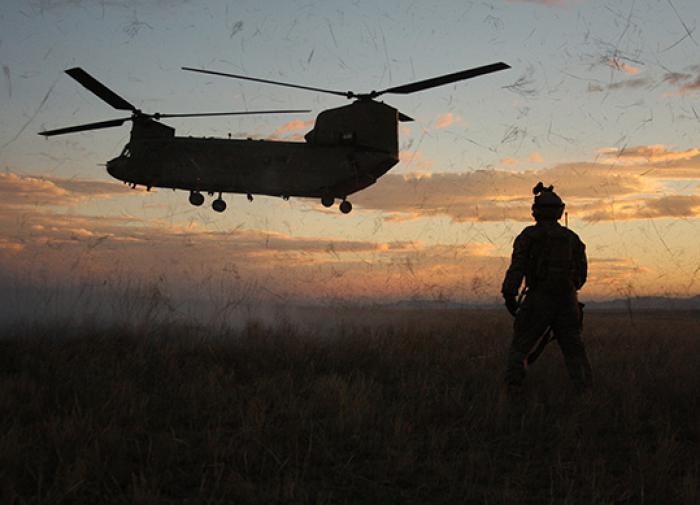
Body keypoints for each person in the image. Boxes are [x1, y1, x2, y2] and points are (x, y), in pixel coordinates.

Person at [501, 182, 592, 394]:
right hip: (567, 302)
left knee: (520, 348)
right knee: (575, 351)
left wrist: (509, 294)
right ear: (559, 211)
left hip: (538, 300)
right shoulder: (571, 238)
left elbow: (517, 268)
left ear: (536, 211)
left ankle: (513, 392)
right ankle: (585, 393)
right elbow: (581, 274)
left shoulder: (529, 236)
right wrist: (567, 290)